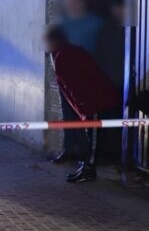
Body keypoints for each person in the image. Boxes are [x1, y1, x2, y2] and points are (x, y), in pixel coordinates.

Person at [45, 26, 121, 183]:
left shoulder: (66, 55)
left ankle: (89, 170)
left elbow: (76, 84)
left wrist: (85, 108)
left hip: (95, 101)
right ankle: (87, 167)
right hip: (91, 101)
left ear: (54, 41)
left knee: (93, 138)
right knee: (92, 136)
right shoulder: (63, 53)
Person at [53, 0, 105, 164]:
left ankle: (86, 155)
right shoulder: (64, 25)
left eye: (75, 2)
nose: (72, 5)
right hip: (67, 78)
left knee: (87, 117)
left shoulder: (95, 24)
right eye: (70, 2)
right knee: (67, 114)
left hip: (85, 77)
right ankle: (69, 149)